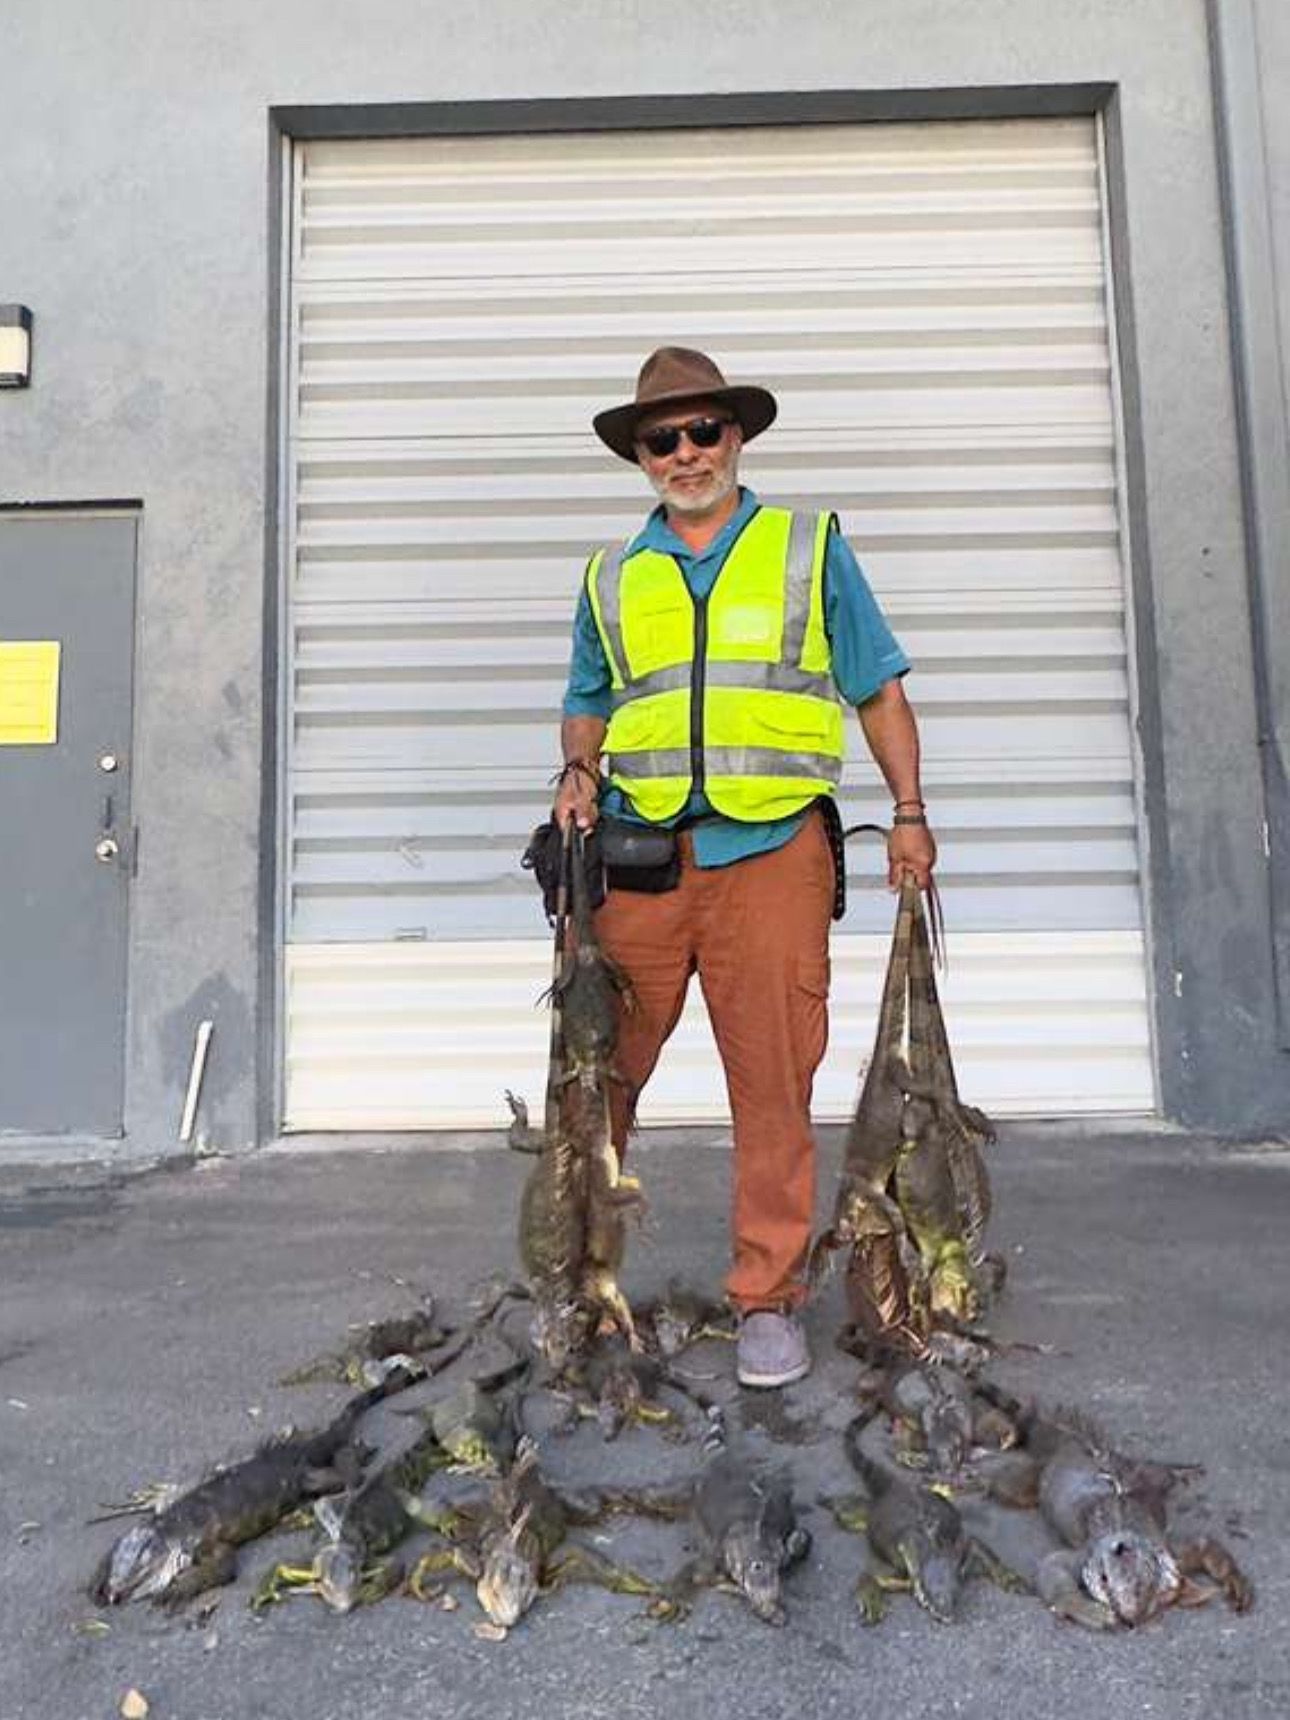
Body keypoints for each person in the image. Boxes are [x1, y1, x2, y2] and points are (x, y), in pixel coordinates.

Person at [553, 347, 936, 1388]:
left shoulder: (808, 547)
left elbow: (879, 691)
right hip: (637, 860)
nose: (685, 454)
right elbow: (589, 695)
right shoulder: (610, 576)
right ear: (640, 458)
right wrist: (578, 769)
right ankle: (581, 1286)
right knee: (595, 1084)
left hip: (770, 852)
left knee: (772, 1084)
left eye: (703, 432)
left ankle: (767, 1299)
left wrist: (907, 812)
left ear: (737, 436)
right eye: (661, 439)